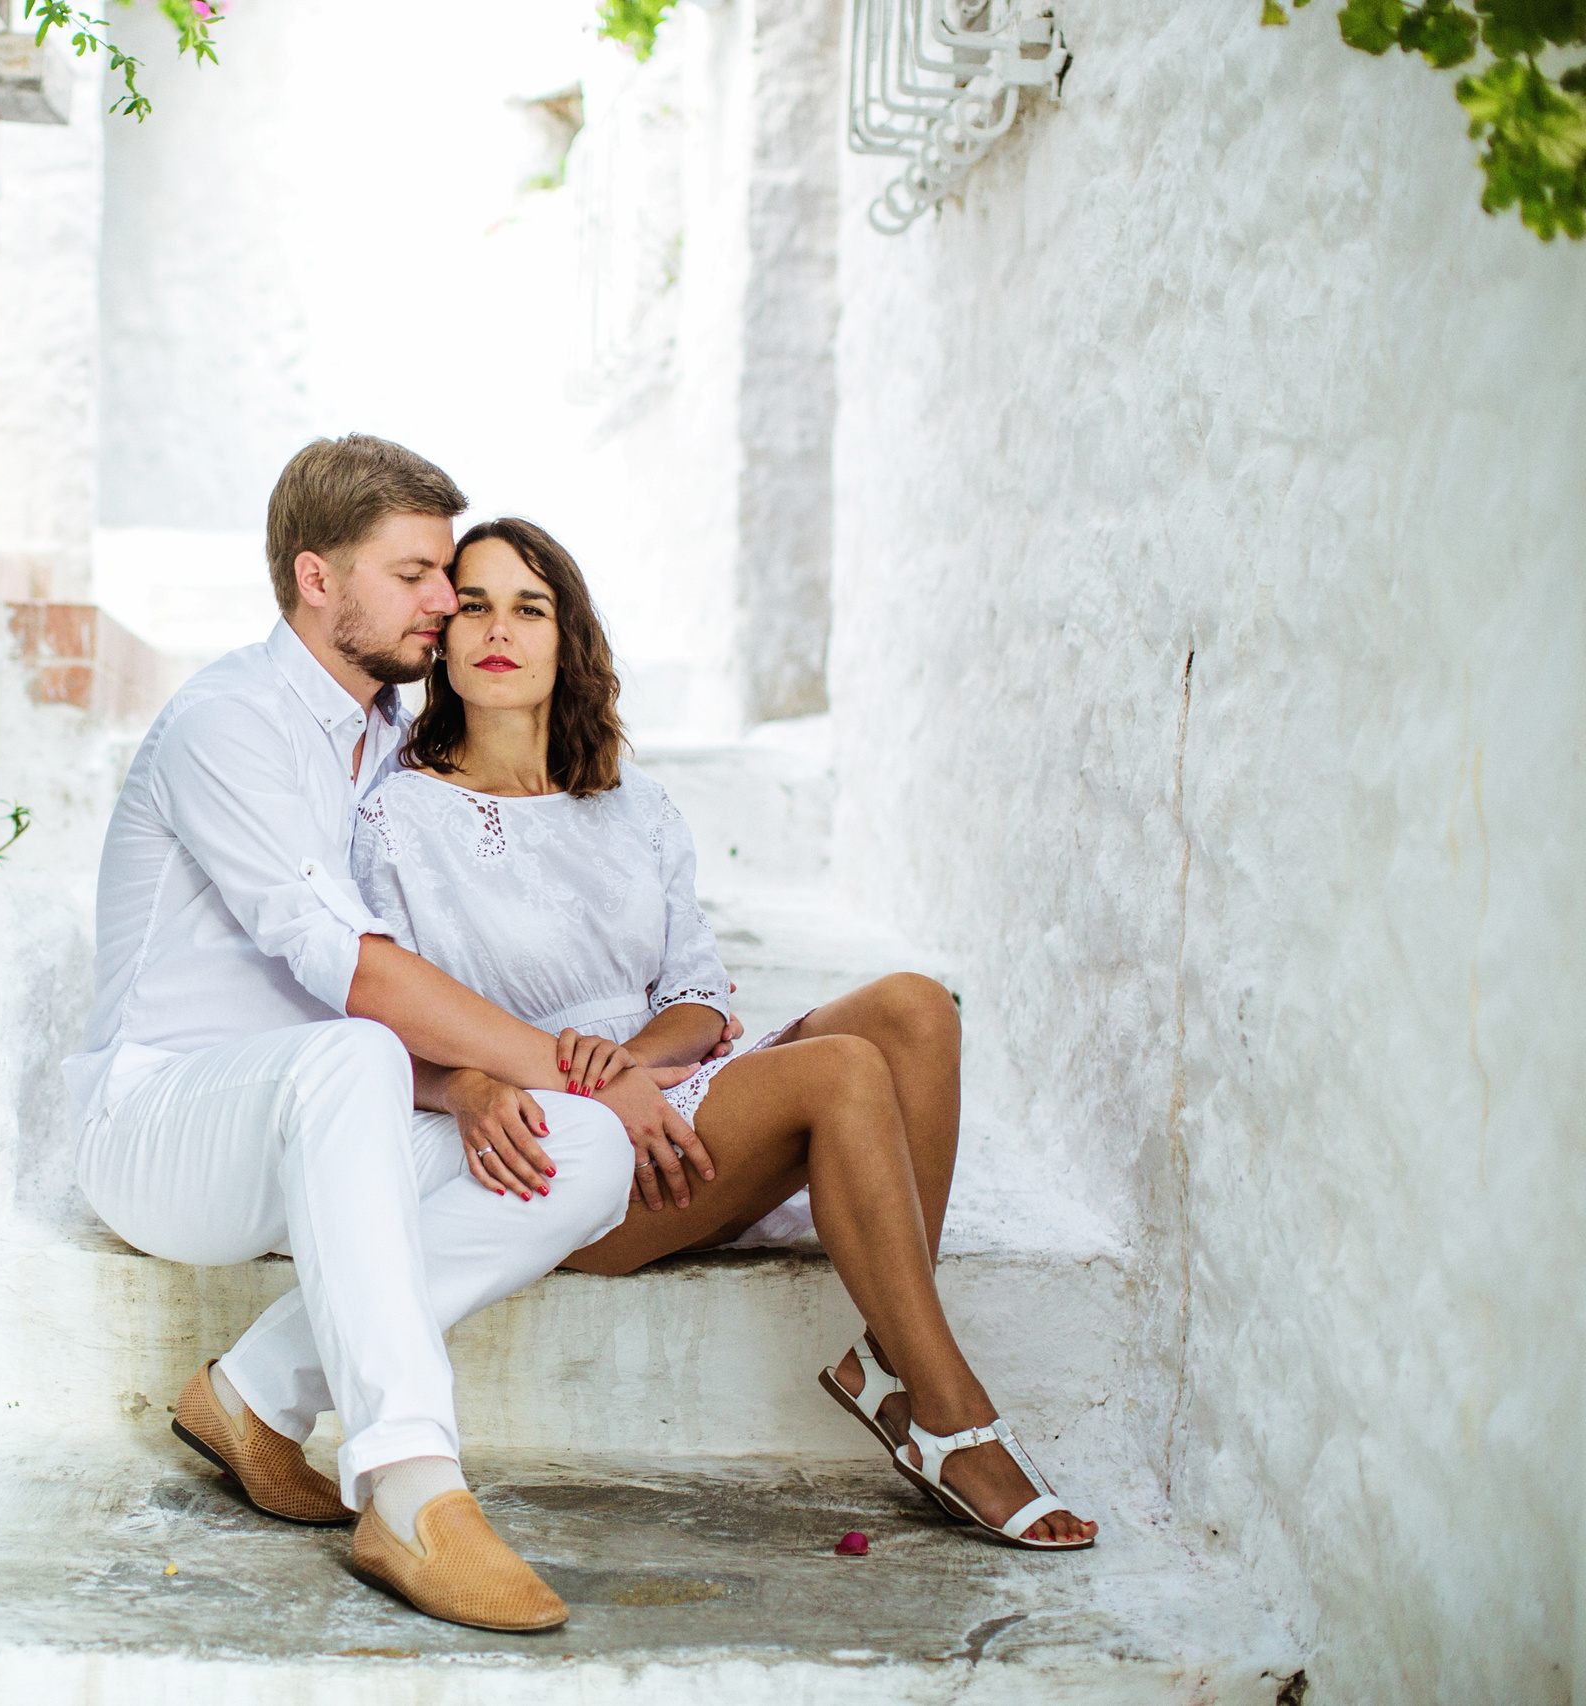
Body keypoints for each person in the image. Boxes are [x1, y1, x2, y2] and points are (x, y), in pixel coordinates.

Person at [65, 437, 737, 1632]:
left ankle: (253, 1389)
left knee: (578, 1145)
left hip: (338, 1113)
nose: (444, 602)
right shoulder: (232, 723)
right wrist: (577, 1065)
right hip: (167, 1129)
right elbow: (354, 973)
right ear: (317, 579)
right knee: (372, 1052)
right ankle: (412, 1482)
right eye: (418, 573)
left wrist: (489, 1081)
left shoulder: (385, 732)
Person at [347, 516, 1097, 1551]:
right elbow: (368, 1003)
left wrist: (637, 1062)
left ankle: (890, 1348)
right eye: (471, 603)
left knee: (914, 1006)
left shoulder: (634, 806)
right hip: (564, 1147)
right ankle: (946, 1410)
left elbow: (698, 994)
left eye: (530, 606)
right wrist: (501, 1084)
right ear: (441, 634)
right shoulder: (395, 819)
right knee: (839, 1071)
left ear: (568, 638)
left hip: (662, 1089)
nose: (497, 629)